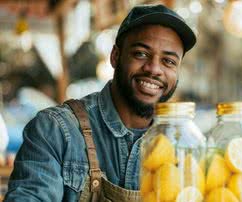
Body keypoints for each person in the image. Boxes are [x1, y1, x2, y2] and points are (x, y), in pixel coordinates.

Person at [4, 4, 196, 202]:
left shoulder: (184, 145)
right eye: (141, 53)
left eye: (169, 61)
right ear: (115, 56)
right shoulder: (55, 130)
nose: (154, 68)